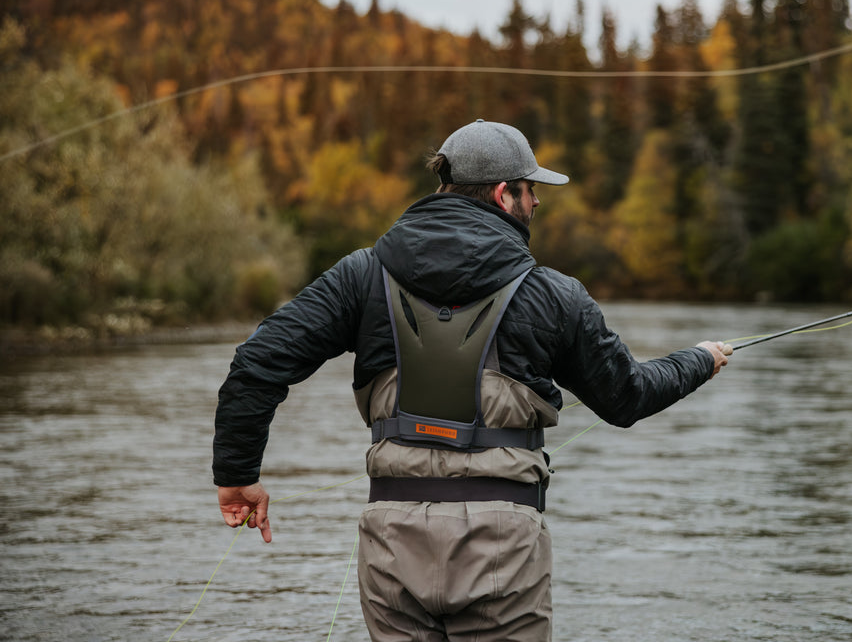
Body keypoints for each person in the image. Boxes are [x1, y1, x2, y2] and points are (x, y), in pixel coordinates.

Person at [213, 118, 732, 641]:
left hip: (392, 541)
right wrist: (700, 359)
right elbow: (628, 397)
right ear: (505, 194)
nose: (537, 205)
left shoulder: (362, 274)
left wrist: (237, 476)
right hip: (503, 544)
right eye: (532, 192)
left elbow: (258, 362)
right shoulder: (554, 295)